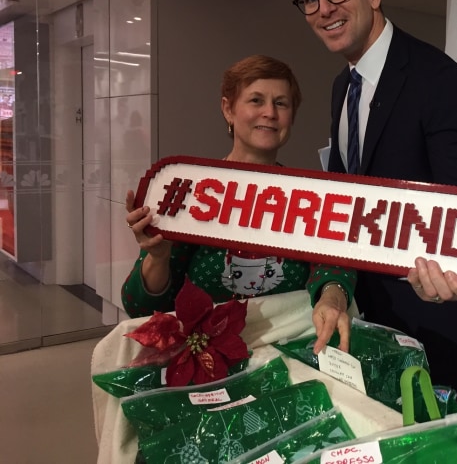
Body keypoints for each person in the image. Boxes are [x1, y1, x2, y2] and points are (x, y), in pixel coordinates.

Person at [290, 0, 457, 399]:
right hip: (377, 317)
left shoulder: (440, 80)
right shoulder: (342, 87)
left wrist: (456, 269)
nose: (324, 8)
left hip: (441, 320)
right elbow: (349, 196)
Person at [122, 54, 355, 353]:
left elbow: (332, 263)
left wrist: (332, 295)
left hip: (290, 357)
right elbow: (139, 307)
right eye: (256, 100)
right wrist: (158, 257)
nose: (270, 112)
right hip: (208, 362)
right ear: (228, 109)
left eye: (281, 103)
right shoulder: (192, 194)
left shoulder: (307, 197)